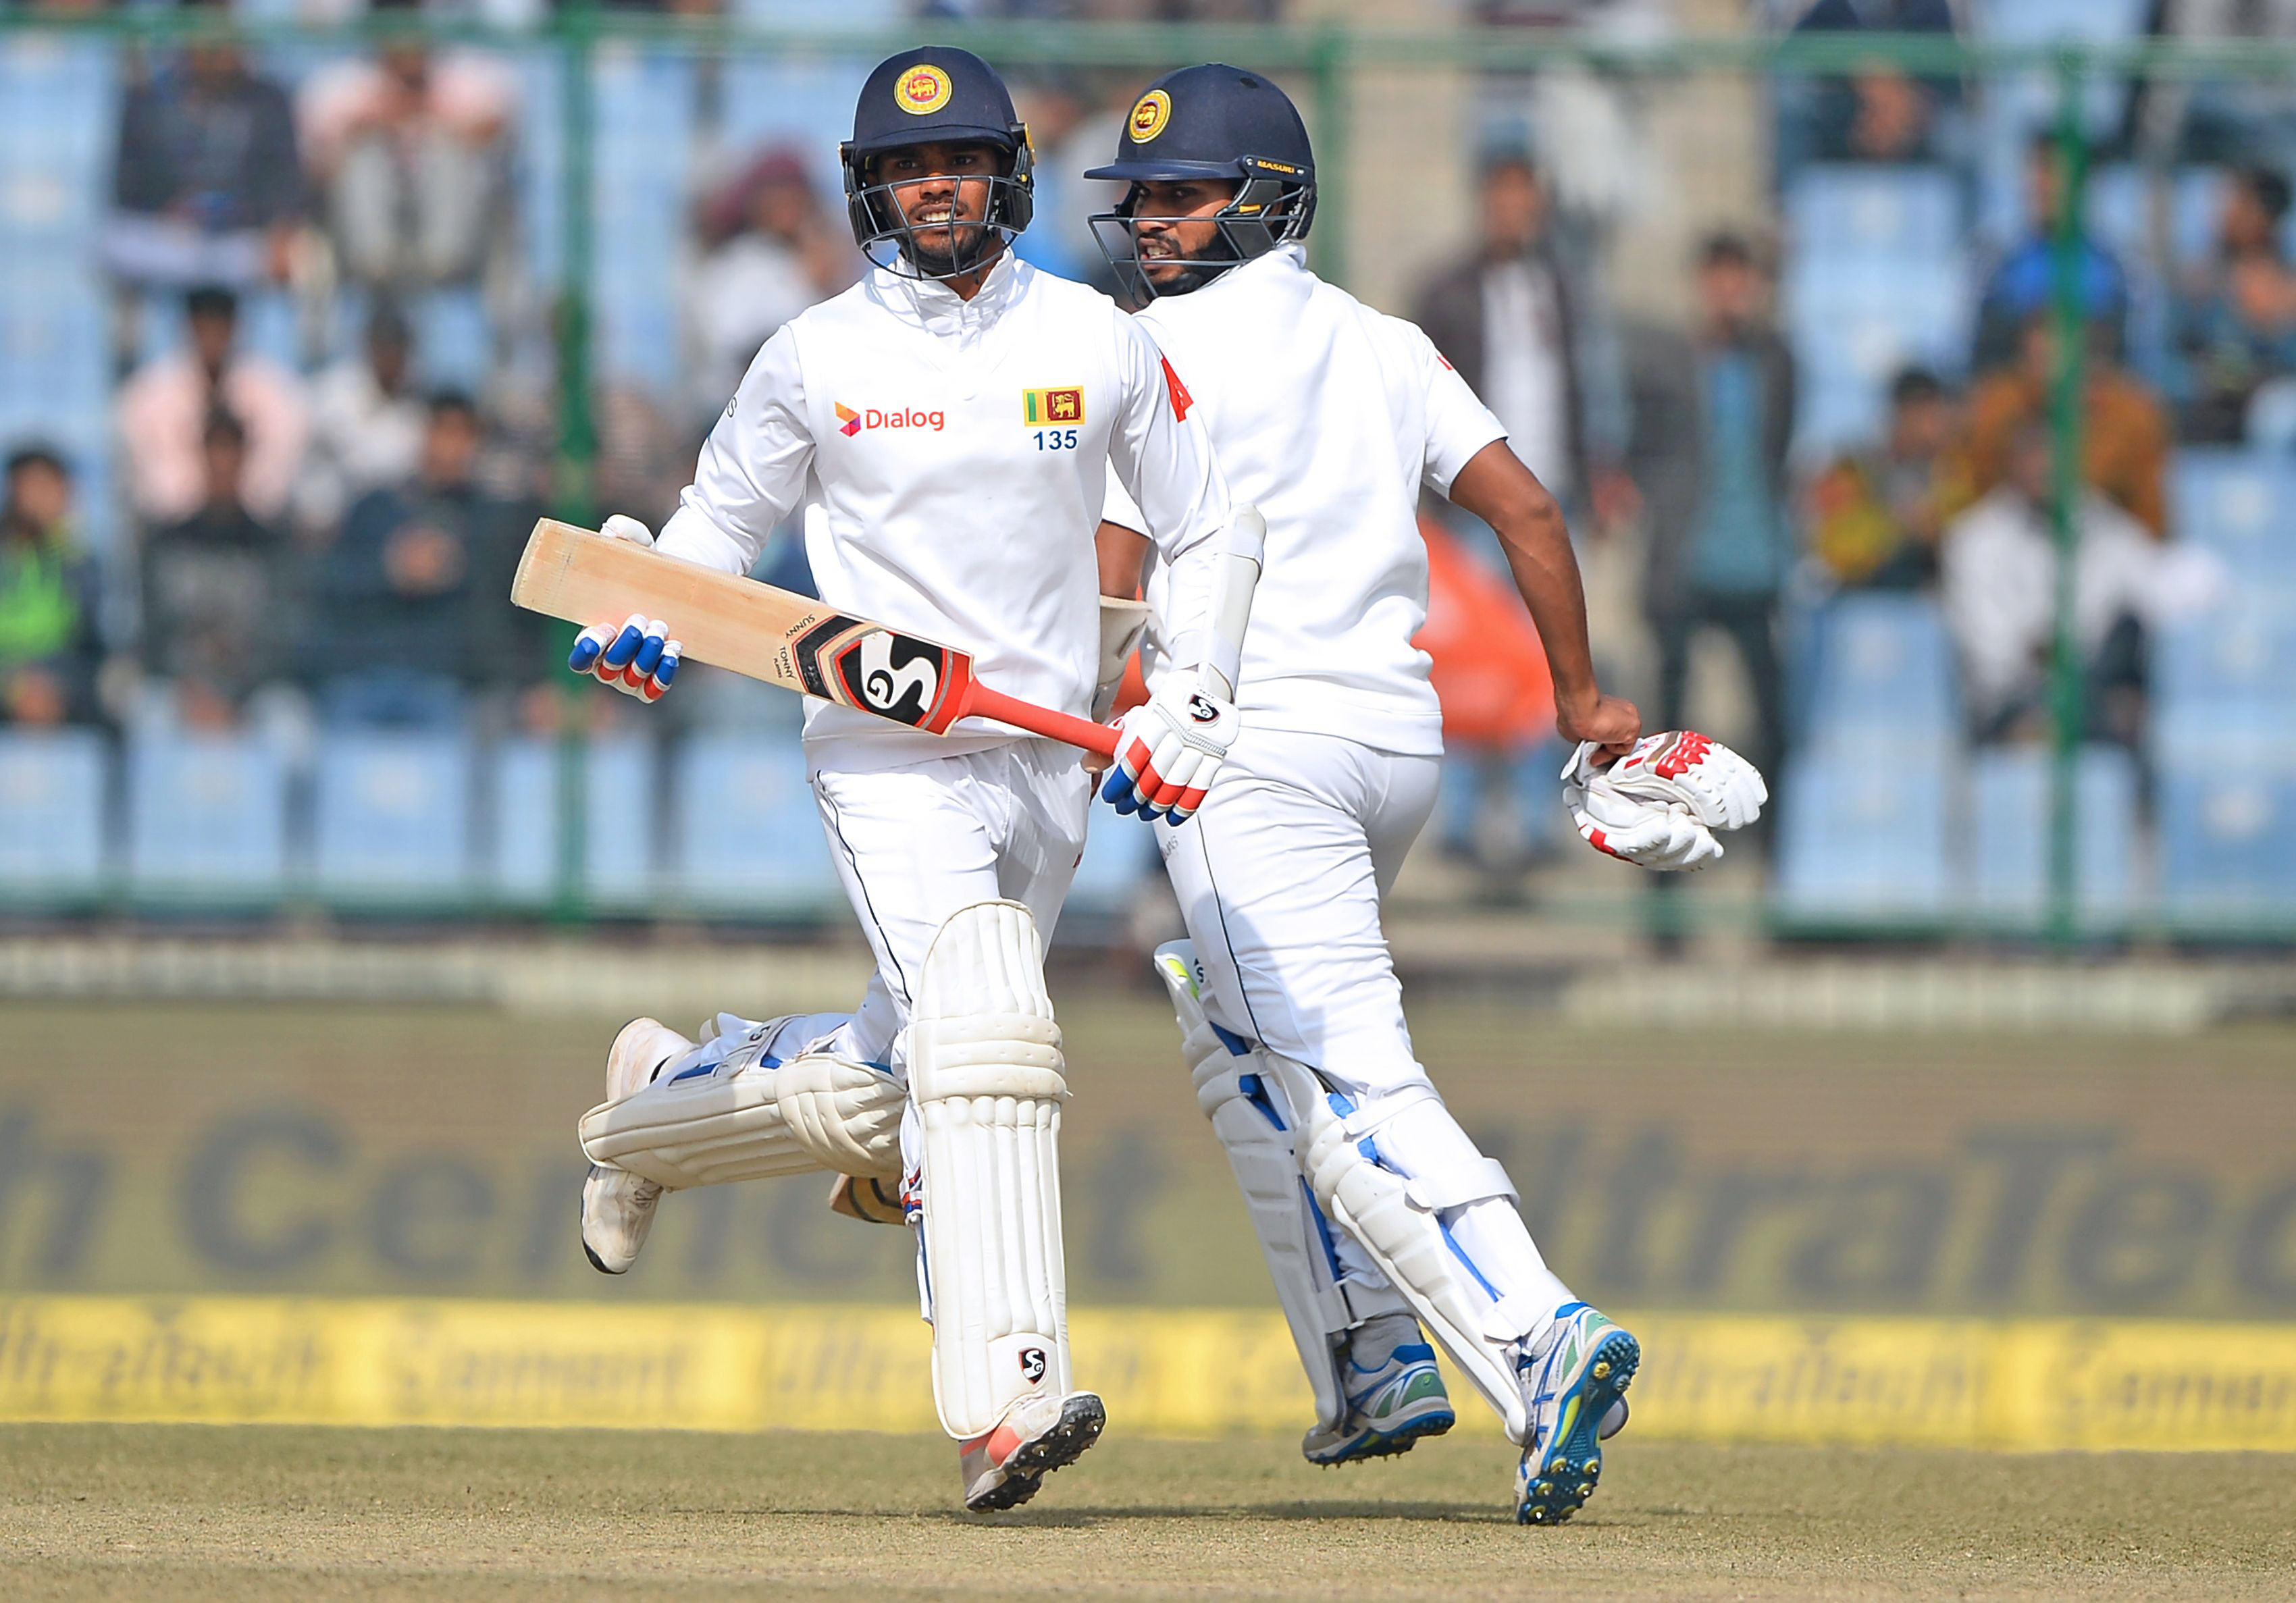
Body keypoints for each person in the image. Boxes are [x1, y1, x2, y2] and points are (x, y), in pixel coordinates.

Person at [558, 49, 1239, 1515]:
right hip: (882, 754)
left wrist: (1192, 687)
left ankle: (651, 1104)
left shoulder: (1097, 338)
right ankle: (1004, 1398)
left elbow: (1209, 526)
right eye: (906, 168)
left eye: (962, 162)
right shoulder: (814, 354)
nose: (935, 186)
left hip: (1045, 758)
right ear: (869, 189)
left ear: (1009, 175)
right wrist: (644, 608)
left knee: (894, 1072)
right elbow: (710, 534)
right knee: (981, 1039)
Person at [1086, 64, 1670, 1527]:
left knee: (1346, 1080)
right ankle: (1369, 1350)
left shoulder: (1134, 352)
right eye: (1141, 197)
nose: (1152, 220)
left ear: (1265, 197)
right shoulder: (1386, 341)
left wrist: (1103, 701)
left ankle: (1537, 1335)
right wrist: (1580, 699)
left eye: (1182, 193)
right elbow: (1526, 509)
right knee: (1229, 1015)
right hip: (1392, 755)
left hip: (1245, 753)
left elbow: (1109, 576)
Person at [1624, 232, 1796, 792]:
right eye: (1717, 278)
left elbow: (1780, 445)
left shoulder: (1774, 362)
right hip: (1685, 555)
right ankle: (1664, 842)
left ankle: (1773, 840)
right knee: (1672, 706)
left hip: (1751, 554)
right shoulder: (1671, 364)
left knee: (1769, 706)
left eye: (1738, 278)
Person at [1410, 152, 1629, 523]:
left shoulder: (1564, 288)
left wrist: (1602, 472)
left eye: (1524, 198)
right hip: (1472, 497)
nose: (1514, 211)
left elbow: (1594, 385)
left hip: (1554, 488)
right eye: (1504, 197)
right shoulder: (1448, 293)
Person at [1940, 423, 2166, 747]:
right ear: (2013, 464)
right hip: (2008, 700)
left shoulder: (2109, 529)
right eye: (2032, 458)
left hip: (2092, 689)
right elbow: (1987, 648)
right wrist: (2043, 653)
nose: (2043, 470)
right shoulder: (1975, 538)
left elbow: (2152, 593)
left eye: (2053, 458)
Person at [307, 392, 515, 728]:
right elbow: (331, 585)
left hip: (449, 683)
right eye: (443, 431)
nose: (451, 447)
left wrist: (454, 570)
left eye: (463, 435)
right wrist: (391, 569)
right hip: (365, 675)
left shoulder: (488, 519)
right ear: (423, 434)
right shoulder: (376, 506)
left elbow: (500, 613)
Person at [295, 0, 516, 296]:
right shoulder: (339, 83)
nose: (404, 35)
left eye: (412, 18)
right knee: (366, 152)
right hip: (358, 236)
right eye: (393, 20)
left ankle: (442, 255)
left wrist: (429, 115)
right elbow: (315, 169)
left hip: (457, 233)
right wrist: (369, 125)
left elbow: (497, 132)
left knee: (445, 147)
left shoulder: (466, 74)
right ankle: (375, 255)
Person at [102, 0, 305, 300]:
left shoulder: (268, 99)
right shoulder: (147, 97)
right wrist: (166, 211)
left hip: (243, 238)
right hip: (166, 239)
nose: (216, 42)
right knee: (116, 244)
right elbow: (126, 188)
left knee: (299, 256)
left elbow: (286, 181)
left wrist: (276, 227)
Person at [138, 413, 294, 729]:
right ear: (200, 458)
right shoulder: (167, 542)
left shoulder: (273, 546)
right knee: (148, 717)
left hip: (252, 691)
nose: (223, 467)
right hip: (181, 688)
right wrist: (192, 690)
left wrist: (235, 695)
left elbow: (286, 634)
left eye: (231, 455)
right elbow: (150, 633)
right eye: (215, 455)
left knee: (288, 726)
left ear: (246, 459)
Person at [115, 286, 308, 529]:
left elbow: (276, 484)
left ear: (236, 329)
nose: (212, 339)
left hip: (254, 535)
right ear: (188, 328)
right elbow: (153, 491)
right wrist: (202, 501)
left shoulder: (276, 392)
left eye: (220, 329)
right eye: (203, 328)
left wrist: (230, 500)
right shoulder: (146, 395)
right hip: (172, 534)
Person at [688, 149, 856, 423]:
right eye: (778, 195)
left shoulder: (810, 258)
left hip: (808, 408)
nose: (788, 205)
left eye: (795, 195)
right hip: (740, 410)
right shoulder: (742, 262)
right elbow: (739, 343)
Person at [1964, 317, 2172, 539]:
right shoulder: (1995, 406)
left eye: (2053, 359)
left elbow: (2151, 514)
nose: (2044, 374)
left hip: (2106, 546)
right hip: (2013, 540)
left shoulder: (2133, 415)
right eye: (2034, 360)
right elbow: (1975, 490)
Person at [1973, 138, 2131, 374]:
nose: (2040, 185)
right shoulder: (2004, 267)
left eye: (2052, 172)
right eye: (2037, 171)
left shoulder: (2107, 272)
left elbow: (2117, 360)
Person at [1806, 365, 1971, 589]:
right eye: (1930, 415)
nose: (1940, 427)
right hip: (1861, 601)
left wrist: (1936, 533)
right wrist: (1897, 527)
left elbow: (1968, 534)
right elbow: (1833, 547)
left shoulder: (1949, 471)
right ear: (1904, 413)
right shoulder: (1855, 467)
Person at [2172, 165, 2296, 444]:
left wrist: (2277, 321)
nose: (2224, 212)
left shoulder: (2289, 286)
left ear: (2265, 215)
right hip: (2210, 416)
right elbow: (2172, 359)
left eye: (2238, 202)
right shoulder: (2198, 284)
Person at [294, 304, 427, 540]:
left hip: (384, 535)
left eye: (398, 349)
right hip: (323, 527)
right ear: (369, 346)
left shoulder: (415, 411)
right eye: (384, 346)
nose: (391, 357)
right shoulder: (331, 394)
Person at [0, 447, 102, 728]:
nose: (51, 498)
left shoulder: (80, 563)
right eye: (38, 486)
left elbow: (91, 648)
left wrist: (52, 685)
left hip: (60, 692)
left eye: (57, 488)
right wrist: (14, 687)